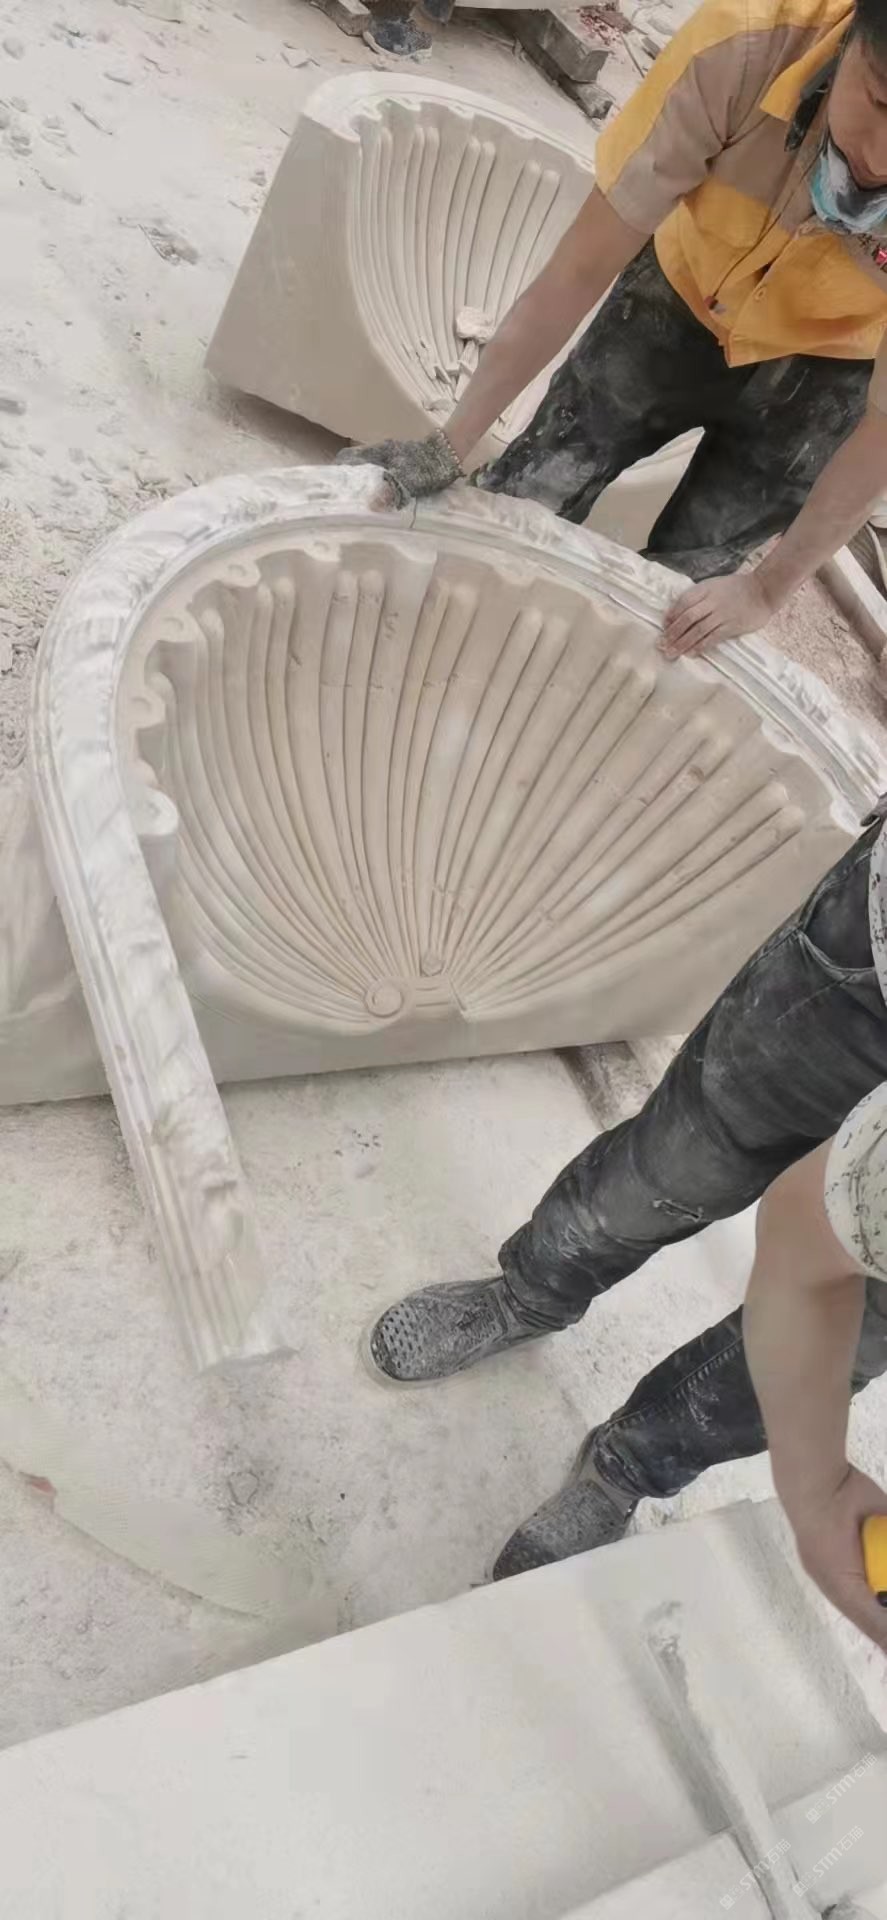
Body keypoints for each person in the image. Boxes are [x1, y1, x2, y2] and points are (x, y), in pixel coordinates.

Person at [365, 808, 887, 1653]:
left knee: (841, 1342)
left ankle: (629, 1465)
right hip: (868, 989)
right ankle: (528, 1296)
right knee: (682, 1160)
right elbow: (799, 1240)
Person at [340, 0, 887, 657]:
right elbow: (578, 267)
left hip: (826, 374)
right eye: (879, 101)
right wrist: (448, 445)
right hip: (680, 293)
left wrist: (766, 590)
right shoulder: (745, 42)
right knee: (531, 491)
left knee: (685, 605)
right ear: (852, 31)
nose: (878, 157)